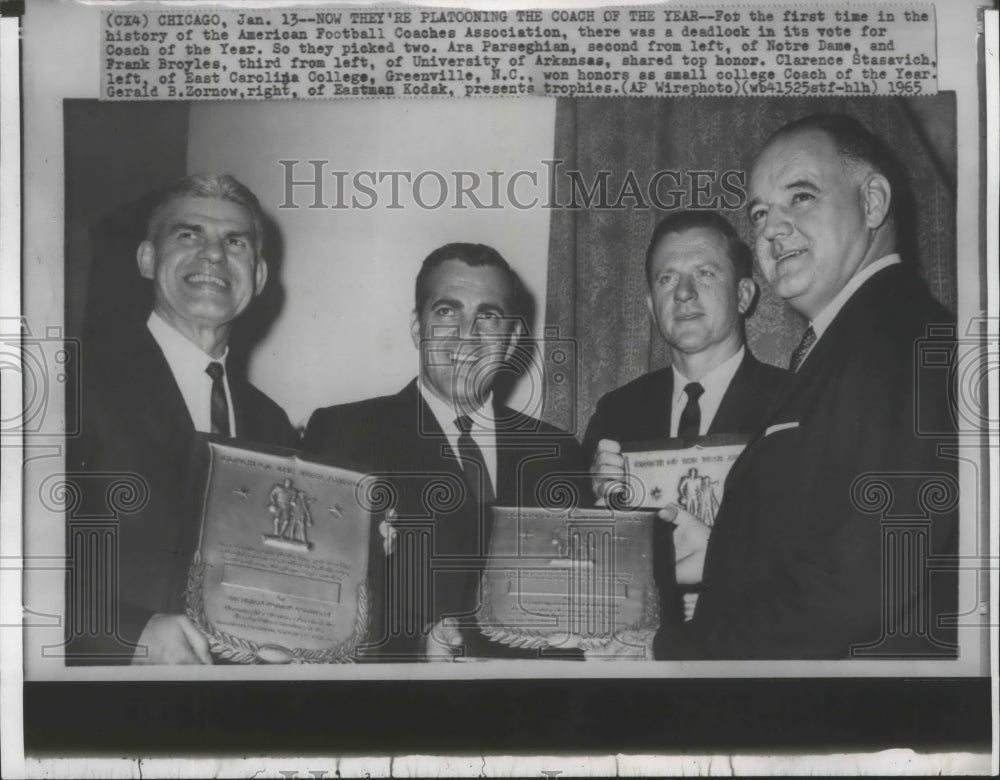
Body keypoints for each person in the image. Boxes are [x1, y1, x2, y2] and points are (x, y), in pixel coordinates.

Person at [653, 113, 958, 659]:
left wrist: (670, 653)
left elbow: (862, 587)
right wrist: (721, 552)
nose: (770, 229)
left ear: (872, 203)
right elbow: (825, 532)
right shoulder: (851, 338)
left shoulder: (898, 337)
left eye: (801, 197)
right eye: (761, 212)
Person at [303, 243, 587, 660]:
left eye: (487, 317)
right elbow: (315, 602)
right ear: (418, 327)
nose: (466, 334)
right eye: (447, 312)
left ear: (510, 341)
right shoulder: (345, 434)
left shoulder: (558, 452)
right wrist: (417, 650)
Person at [67, 174, 298, 665]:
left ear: (257, 276)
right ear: (147, 259)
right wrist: (130, 634)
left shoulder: (271, 421)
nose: (213, 254)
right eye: (188, 234)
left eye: (234, 241)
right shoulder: (70, 381)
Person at [584, 211, 788, 630]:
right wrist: (599, 509)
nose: (684, 293)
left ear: (744, 294)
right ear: (649, 304)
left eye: (706, 273)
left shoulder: (795, 403)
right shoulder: (616, 413)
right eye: (667, 279)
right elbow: (588, 568)